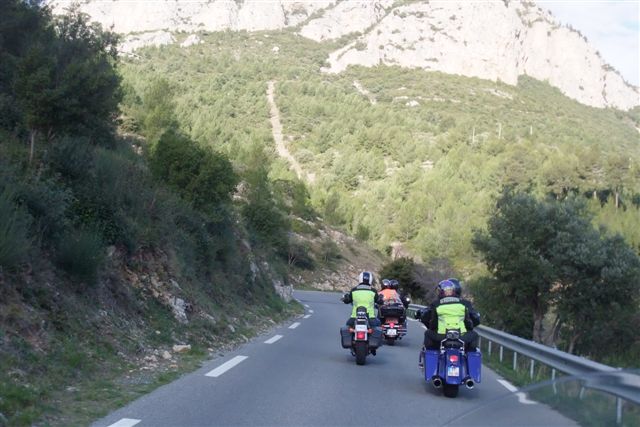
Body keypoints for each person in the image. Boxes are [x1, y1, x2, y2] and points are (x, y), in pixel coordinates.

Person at [417, 278, 481, 357]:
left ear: (441, 292)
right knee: (474, 335)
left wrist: (432, 328)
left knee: (428, 333)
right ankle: (469, 358)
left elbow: (434, 322)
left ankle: (430, 357)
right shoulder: (464, 303)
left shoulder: (436, 304)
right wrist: (469, 328)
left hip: (442, 335)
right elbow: (469, 320)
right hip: (461, 336)